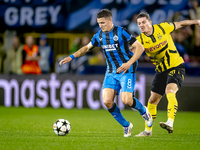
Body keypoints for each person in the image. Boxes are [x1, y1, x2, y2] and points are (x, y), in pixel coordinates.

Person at [59, 9, 153, 137]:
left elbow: (140, 48)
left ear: (110, 20)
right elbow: (86, 48)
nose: (100, 25)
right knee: (107, 101)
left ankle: (144, 112)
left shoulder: (122, 32)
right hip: (110, 72)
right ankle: (126, 126)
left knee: (126, 100)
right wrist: (72, 56)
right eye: (99, 23)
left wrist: (129, 62)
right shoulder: (98, 36)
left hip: (126, 70)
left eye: (103, 22)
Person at [120, 12, 200, 136]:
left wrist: (196, 21)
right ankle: (148, 131)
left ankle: (170, 122)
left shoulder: (162, 28)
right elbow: (128, 50)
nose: (141, 25)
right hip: (161, 70)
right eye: (139, 23)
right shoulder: (140, 40)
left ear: (150, 22)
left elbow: (180, 24)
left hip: (176, 65)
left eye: (144, 22)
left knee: (170, 90)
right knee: (152, 100)